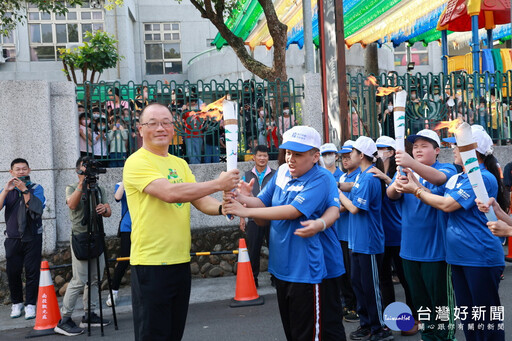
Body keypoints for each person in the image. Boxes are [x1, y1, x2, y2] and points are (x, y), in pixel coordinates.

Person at [123, 103, 239, 341]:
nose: (160, 128)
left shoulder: (180, 164)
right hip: (151, 264)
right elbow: (170, 193)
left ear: (174, 128)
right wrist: (219, 184)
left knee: (174, 333)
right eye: (152, 123)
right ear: (140, 129)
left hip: (180, 261)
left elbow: (199, 199)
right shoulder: (136, 162)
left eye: (166, 122)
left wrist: (222, 207)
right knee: (153, 335)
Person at [224, 125, 343, 341]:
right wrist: (240, 198)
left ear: (315, 156)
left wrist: (246, 209)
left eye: (298, 154)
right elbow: (261, 202)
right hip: (283, 267)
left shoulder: (321, 178)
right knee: (293, 330)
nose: (290, 159)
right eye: (288, 153)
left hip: (308, 268)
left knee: (319, 331)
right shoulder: (281, 174)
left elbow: (292, 211)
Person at [395, 125, 507, 341]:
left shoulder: (482, 177)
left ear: (472, 151)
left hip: (480, 256)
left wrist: (415, 190)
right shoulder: (460, 177)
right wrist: (415, 183)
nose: (453, 149)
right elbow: (433, 196)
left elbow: (447, 205)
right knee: (469, 320)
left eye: (457, 145)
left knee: (486, 320)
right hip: (459, 257)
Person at [387, 129, 457, 341]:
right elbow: (390, 194)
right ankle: (428, 336)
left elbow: (439, 180)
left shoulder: (447, 169)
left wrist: (410, 164)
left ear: (437, 151)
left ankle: (445, 338)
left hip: (436, 252)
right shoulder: (405, 170)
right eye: (415, 146)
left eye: (424, 146)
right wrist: (398, 183)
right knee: (422, 306)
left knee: (440, 306)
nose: (418, 150)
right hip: (409, 251)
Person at [337, 137, 392, 341]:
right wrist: (339, 185)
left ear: (361, 155)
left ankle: (380, 328)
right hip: (357, 242)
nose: (349, 155)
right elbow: (352, 185)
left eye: (352, 151)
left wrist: (336, 192)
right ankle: (366, 324)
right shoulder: (362, 175)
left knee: (370, 288)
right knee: (358, 284)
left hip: (369, 243)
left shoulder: (369, 178)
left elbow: (354, 208)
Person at [55, 156, 112, 336]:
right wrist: (82, 183)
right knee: (79, 280)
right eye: (84, 167)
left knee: (95, 278)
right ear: (78, 170)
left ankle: (90, 314)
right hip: (80, 237)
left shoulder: (99, 188)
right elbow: (72, 205)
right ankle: (64, 319)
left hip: (97, 236)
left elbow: (109, 211)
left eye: (90, 167)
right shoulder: (71, 187)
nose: (88, 170)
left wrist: (105, 209)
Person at [371, 136, 417, 336]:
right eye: (377, 148)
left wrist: (386, 178)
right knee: (384, 280)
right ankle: (392, 319)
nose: (380, 152)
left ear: (391, 151)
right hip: (380, 235)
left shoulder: (399, 172)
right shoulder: (371, 173)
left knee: (406, 279)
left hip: (398, 234)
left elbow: (397, 193)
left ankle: (413, 318)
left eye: (383, 148)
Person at [0, 158, 45, 320]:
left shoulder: (36, 188)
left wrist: (24, 190)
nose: (21, 172)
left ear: (29, 170)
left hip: (32, 236)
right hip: (12, 237)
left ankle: (31, 305)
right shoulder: (7, 190)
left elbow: (36, 208)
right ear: (11, 172)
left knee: (32, 272)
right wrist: (6, 190)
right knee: (13, 272)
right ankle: (17, 303)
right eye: (17, 169)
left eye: (24, 169)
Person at [240, 145, 276, 287]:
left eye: (265, 156)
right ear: (254, 157)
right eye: (259, 155)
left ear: (268, 157)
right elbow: (242, 197)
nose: (262, 158)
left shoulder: (275, 174)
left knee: (275, 248)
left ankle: (275, 277)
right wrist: (242, 218)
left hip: (272, 217)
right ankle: (253, 279)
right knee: (253, 249)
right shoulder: (247, 175)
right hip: (253, 217)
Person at [337, 140, 360, 323]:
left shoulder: (361, 177)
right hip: (340, 233)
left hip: (353, 233)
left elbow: (348, 206)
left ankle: (357, 307)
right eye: (343, 157)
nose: (345, 160)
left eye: (348, 156)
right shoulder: (343, 178)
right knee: (343, 272)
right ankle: (348, 304)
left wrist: (330, 211)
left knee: (354, 275)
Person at [106, 181, 131, 307]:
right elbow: (118, 197)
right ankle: (113, 292)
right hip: (128, 227)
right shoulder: (121, 184)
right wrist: (126, 179)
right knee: (124, 260)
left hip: (144, 227)